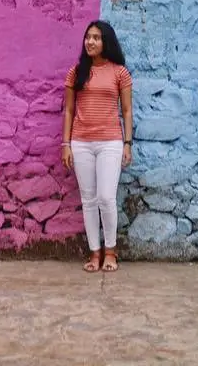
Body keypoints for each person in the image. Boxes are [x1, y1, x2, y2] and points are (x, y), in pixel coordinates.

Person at [61, 20, 133, 273]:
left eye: (96, 38)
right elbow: (69, 110)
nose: (90, 42)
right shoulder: (76, 72)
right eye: (88, 37)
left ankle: (111, 251)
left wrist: (127, 143)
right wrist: (66, 144)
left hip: (110, 142)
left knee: (105, 197)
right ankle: (95, 253)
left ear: (106, 42)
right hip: (81, 142)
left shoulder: (119, 73)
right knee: (88, 200)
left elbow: (126, 110)